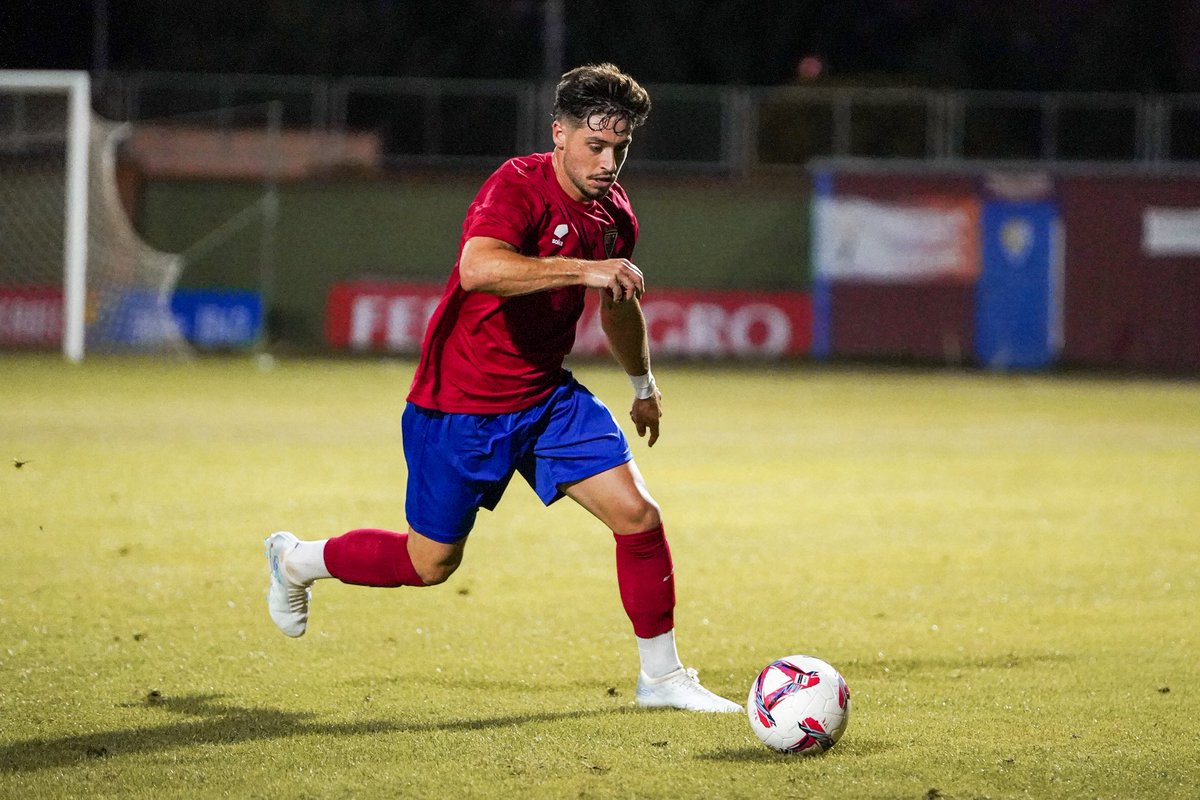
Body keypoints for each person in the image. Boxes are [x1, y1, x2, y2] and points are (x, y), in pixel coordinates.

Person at [264, 63, 740, 713]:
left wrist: (642, 383)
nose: (608, 163)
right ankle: (298, 560)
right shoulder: (516, 185)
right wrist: (588, 269)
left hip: (546, 401)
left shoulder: (614, 214)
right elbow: (478, 268)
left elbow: (618, 303)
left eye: (620, 150)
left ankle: (661, 678)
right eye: (595, 146)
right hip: (460, 405)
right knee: (430, 563)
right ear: (559, 135)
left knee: (638, 516)